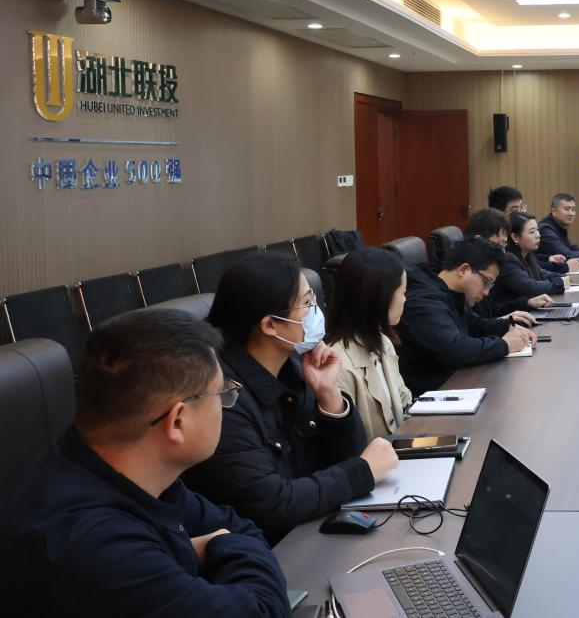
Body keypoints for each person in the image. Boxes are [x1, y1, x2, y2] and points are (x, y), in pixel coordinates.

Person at [0, 308, 290, 616]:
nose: (225, 404)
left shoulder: (112, 464)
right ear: (177, 421)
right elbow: (265, 610)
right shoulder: (98, 546)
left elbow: (241, 529)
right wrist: (211, 546)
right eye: (221, 394)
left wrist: (186, 551)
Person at [183, 252, 399, 544]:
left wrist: (329, 395)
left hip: (313, 531)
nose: (316, 311)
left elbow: (347, 456)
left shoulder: (294, 367)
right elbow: (273, 505)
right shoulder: (223, 397)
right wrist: (362, 472)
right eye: (307, 303)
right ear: (270, 325)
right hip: (273, 548)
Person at [396, 236, 537, 394]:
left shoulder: (447, 290)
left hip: (454, 382)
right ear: (464, 270)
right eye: (486, 282)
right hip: (432, 395)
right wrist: (504, 345)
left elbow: (474, 325)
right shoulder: (422, 300)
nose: (487, 292)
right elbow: (455, 349)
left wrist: (508, 326)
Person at [325, 247, 414, 438]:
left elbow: (404, 401)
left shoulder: (383, 341)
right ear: (380, 298)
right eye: (403, 292)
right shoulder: (337, 366)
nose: (405, 300)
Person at [464, 208, 553, 314]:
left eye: (503, 245)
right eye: (498, 245)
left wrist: (527, 303)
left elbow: (491, 312)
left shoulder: (483, 267)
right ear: (478, 240)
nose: (502, 251)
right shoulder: (470, 276)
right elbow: (478, 322)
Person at [492, 212, 570, 311]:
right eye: (532, 232)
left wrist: (565, 278)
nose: (538, 235)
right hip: (509, 314)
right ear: (515, 237)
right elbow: (531, 288)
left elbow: (543, 274)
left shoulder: (528, 255)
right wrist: (560, 282)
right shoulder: (508, 259)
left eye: (537, 230)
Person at [537, 192, 579, 265]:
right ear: (554, 211)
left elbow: (571, 247)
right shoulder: (545, 229)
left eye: (573, 209)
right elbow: (566, 255)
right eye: (567, 209)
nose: (571, 213)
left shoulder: (558, 226)